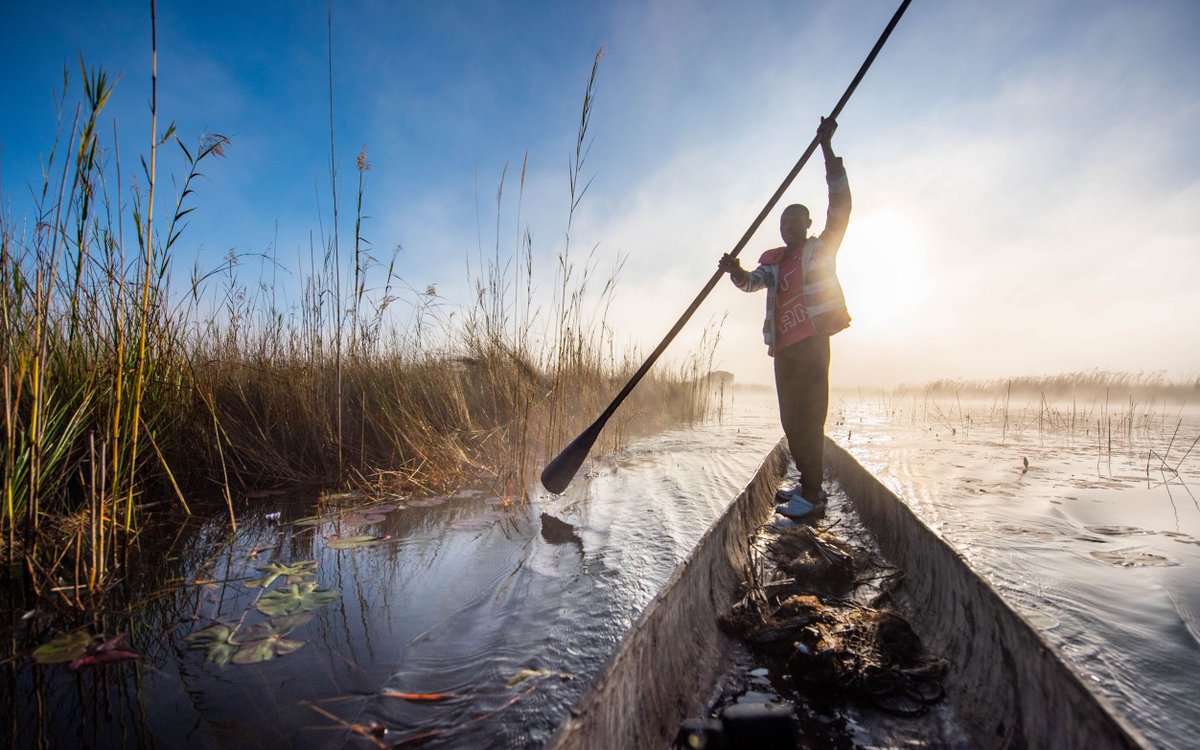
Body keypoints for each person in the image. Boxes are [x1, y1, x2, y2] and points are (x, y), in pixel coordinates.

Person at [718, 116, 851, 520]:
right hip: (785, 352)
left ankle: (812, 496)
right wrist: (735, 270)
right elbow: (750, 283)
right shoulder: (774, 263)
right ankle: (810, 486)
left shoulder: (819, 249)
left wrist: (827, 150)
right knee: (791, 422)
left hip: (812, 344)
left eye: (796, 221)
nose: (790, 227)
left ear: (807, 225)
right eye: (784, 223)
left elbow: (840, 207)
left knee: (809, 419)